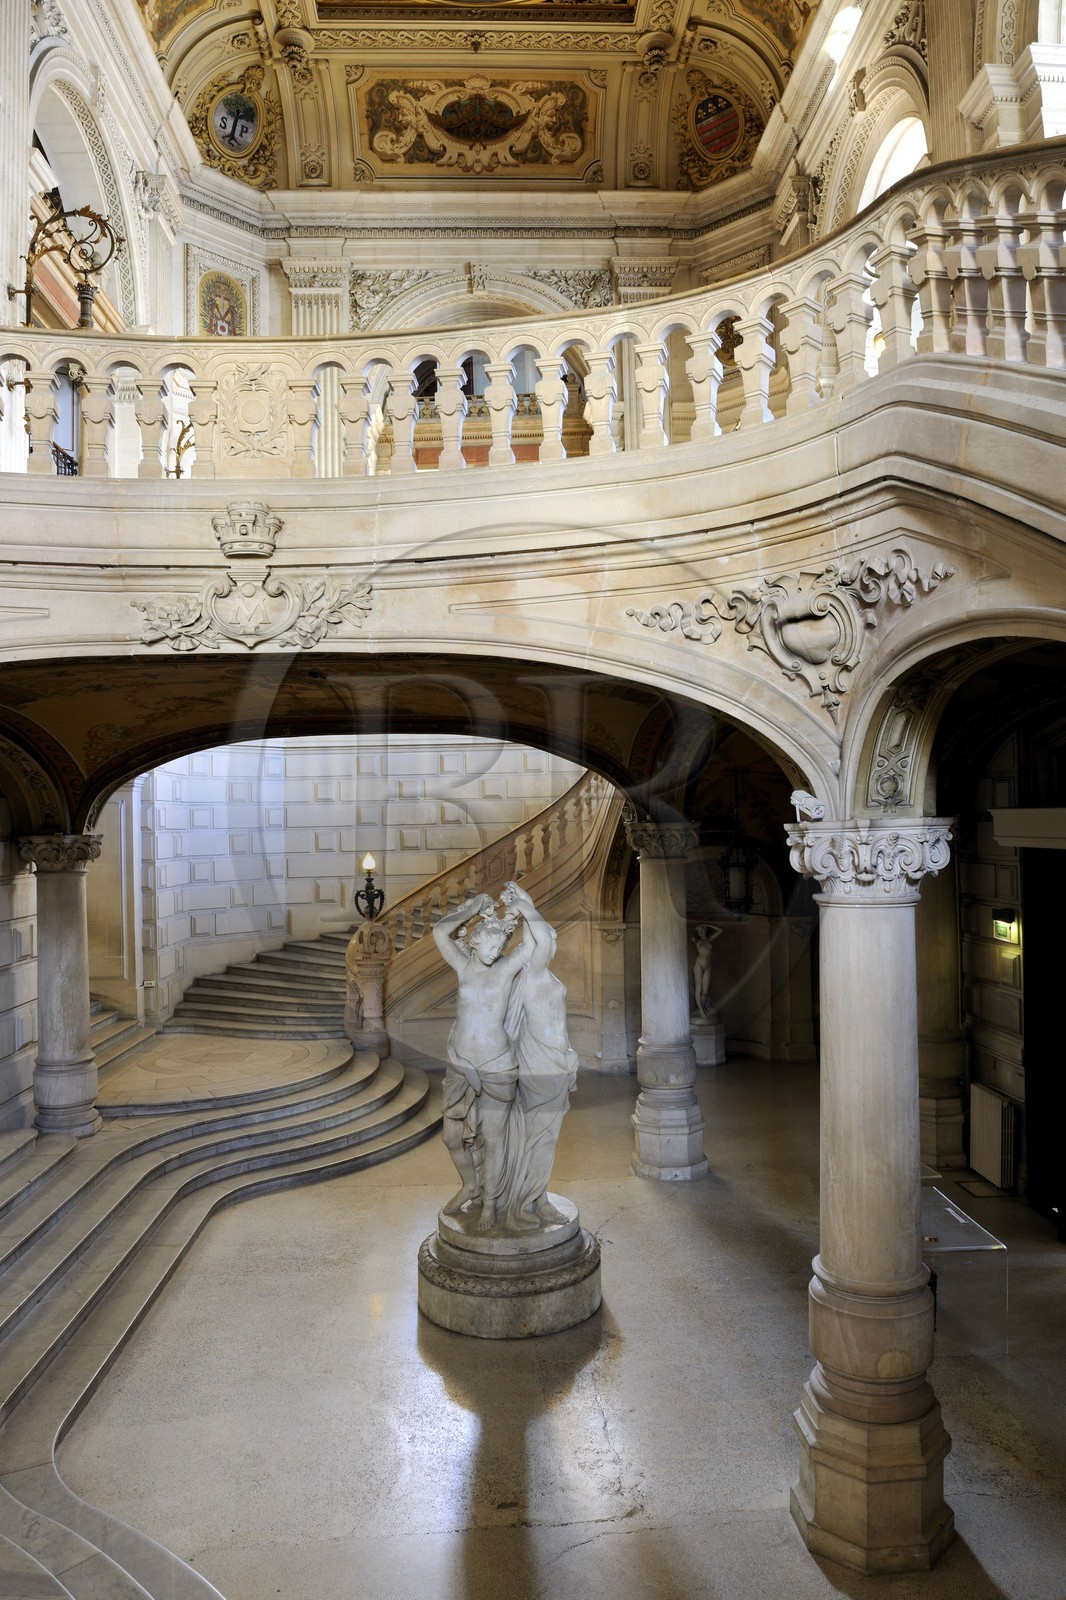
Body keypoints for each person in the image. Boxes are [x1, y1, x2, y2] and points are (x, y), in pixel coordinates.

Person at [433, 881, 577, 1231]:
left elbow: (537, 942)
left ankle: (490, 1206)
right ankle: (470, 1185)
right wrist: (472, 907)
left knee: (493, 1141)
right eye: (490, 941)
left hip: (497, 1067)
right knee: (452, 1138)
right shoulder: (464, 967)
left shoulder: (505, 969)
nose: (496, 947)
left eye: (501, 943)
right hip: (461, 1065)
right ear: (476, 940)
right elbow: (440, 931)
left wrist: (524, 904)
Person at [692, 923, 722, 1020]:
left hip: (708, 966)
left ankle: (701, 1008)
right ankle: (701, 1011)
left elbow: (720, 930)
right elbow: (694, 940)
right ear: (698, 933)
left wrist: (708, 925)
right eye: (700, 931)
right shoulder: (697, 941)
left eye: (703, 930)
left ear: (705, 930)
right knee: (698, 988)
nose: (702, 932)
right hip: (699, 965)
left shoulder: (709, 940)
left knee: (705, 992)